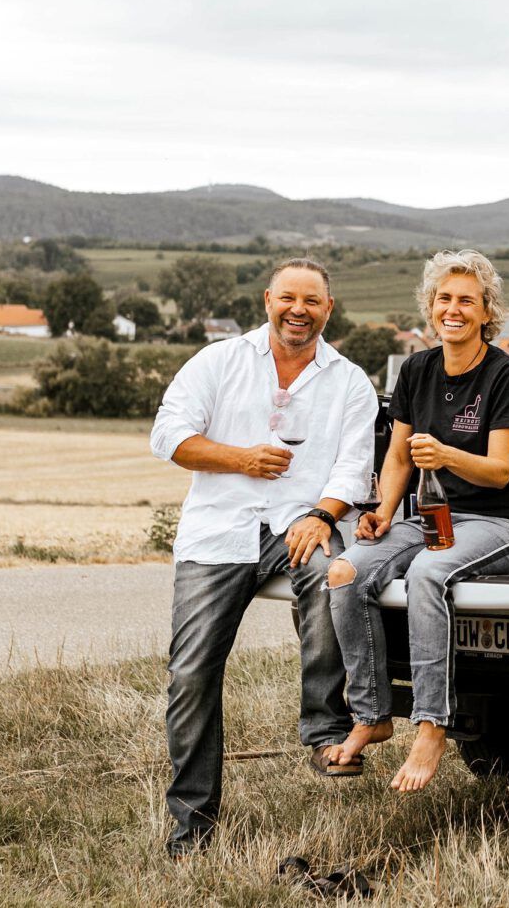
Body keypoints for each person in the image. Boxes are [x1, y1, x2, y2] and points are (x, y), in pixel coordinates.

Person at [148, 258, 377, 858]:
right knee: (192, 673)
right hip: (218, 531)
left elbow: (354, 467)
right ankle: (192, 823)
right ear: (267, 299)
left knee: (334, 573)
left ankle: (323, 728)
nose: (298, 310)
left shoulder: (349, 380)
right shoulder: (219, 361)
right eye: (288, 298)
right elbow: (169, 436)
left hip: (298, 524)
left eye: (312, 301)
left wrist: (323, 514)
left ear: (329, 309)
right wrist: (240, 460)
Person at [323, 250, 509, 792]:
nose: (453, 310)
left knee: (426, 575)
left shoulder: (505, 373)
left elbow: (500, 470)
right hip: (428, 519)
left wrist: (445, 455)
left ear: (487, 311)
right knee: (346, 572)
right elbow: (396, 457)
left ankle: (432, 724)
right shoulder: (417, 368)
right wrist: (383, 512)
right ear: (430, 306)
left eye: (467, 300)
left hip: (500, 525)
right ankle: (371, 714)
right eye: (444, 299)